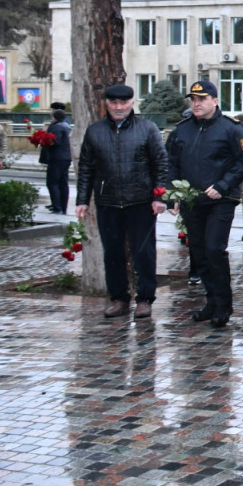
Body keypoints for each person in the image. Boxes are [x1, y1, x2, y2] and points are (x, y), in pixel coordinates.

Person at [75, 84, 169, 320]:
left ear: (131, 103)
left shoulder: (147, 129)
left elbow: (161, 164)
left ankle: (145, 298)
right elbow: (86, 167)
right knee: (112, 252)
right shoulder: (95, 131)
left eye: (124, 103)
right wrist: (82, 200)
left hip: (140, 201)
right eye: (114, 103)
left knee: (143, 252)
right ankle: (118, 298)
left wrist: (160, 197)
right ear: (106, 103)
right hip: (108, 201)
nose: (119, 108)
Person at [165, 81, 243, 328]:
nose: (197, 104)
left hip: (221, 200)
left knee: (214, 249)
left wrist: (223, 185)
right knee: (199, 253)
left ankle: (224, 306)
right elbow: (172, 163)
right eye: (193, 99)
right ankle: (211, 302)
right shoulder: (183, 129)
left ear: (215, 100)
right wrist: (172, 195)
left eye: (202, 99)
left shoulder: (232, 129)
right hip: (193, 200)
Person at [44, 108, 73, 213]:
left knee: (53, 183)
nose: (51, 118)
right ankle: (63, 207)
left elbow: (55, 142)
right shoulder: (67, 126)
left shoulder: (57, 127)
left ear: (55, 117)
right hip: (66, 158)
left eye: (52, 116)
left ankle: (57, 207)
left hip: (57, 158)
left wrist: (44, 141)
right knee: (63, 183)